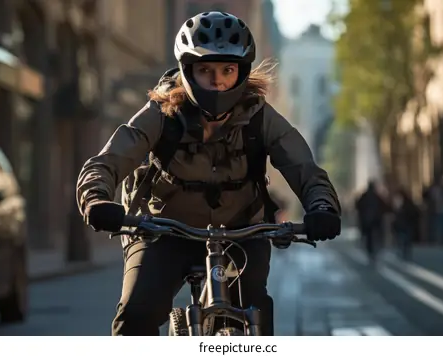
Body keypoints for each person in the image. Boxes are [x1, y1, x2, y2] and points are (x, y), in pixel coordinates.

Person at [75, 11, 341, 336]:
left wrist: (322, 206)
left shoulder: (260, 117)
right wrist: (96, 198)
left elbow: (304, 167)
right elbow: (109, 160)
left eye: (227, 70)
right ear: (188, 71)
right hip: (163, 229)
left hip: (240, 232)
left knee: (255, 310)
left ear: (241, 72)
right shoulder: (162, 114)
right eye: (205, 70)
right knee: (136, 315)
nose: (217, 81)